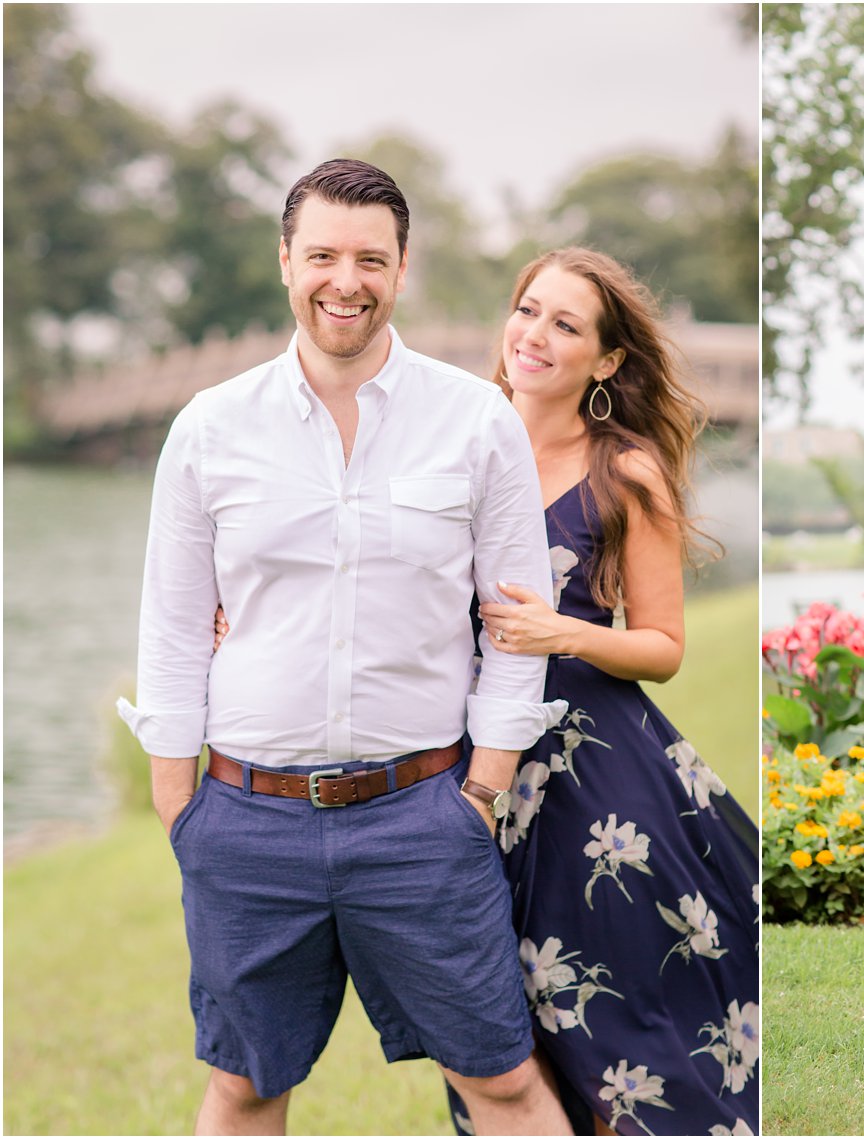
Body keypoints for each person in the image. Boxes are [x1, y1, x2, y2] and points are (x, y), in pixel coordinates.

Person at [117, 159, 572, 1135]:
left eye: (370, 257)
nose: (345, 280)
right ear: (285, 260)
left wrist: (481, 791)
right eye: (321, 253)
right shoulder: (210, 427)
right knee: (245, 1083)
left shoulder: (476, 420)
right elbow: (169, 621)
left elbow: (516, 622)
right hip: (245, 814)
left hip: (423, 814)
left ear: (401, 267)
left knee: (500, 1078)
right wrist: (177, 801)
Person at [455, 247, 760, 1136]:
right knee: (494, 1031)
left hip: (596, 791)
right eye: (527, 310)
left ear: (608, 360)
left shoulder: (625, 471)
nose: (535, 335)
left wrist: (562, 631)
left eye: (566, 323)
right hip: (463, 770)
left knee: (619, 1034)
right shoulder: (456, 443)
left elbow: (662, 646)